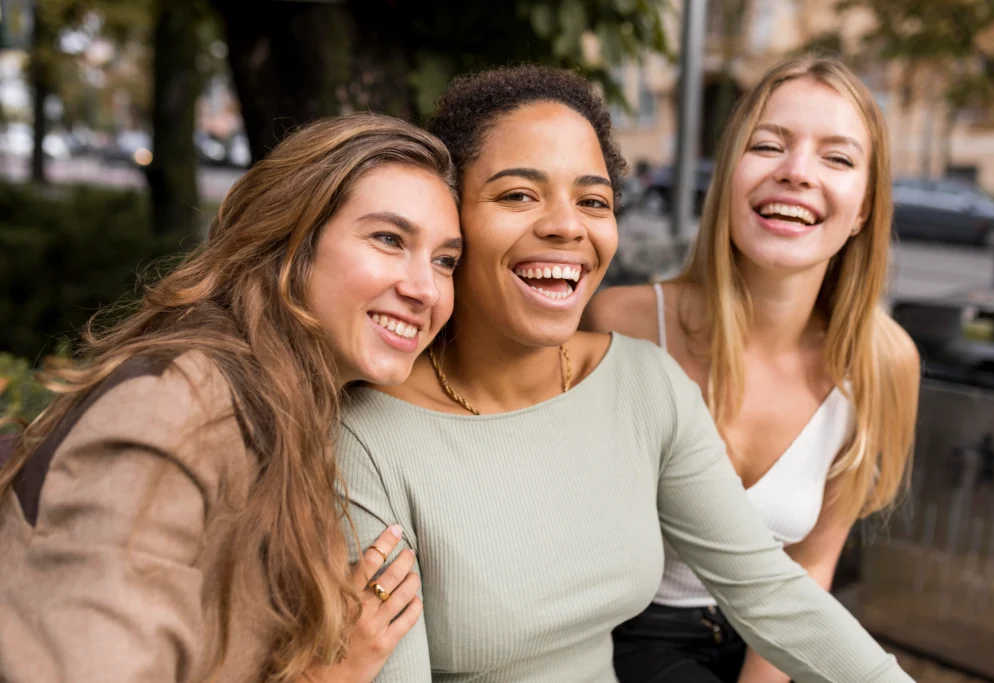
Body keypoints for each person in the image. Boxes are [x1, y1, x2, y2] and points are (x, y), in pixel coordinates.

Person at [335, 64, 913, 683]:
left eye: (593, 201)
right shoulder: (368, 435)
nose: (566, 225)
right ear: (451, 220)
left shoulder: (644, 381)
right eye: (518, 194)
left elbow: (775, 592)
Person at [0, 113, 464, 683]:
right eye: (388, 239)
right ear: (289, 241)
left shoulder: (294, 399)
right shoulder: (179, 408)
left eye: (445, 260)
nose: (424, 289)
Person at [584, 55, 921, 683]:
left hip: (772, 636)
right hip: (623, 637)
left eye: (838, 158)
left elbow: (809, 571)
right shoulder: (619, 323)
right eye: (768, 146)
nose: (796, 173)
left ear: (865, 208)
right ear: (728, 175)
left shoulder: (882, 361)